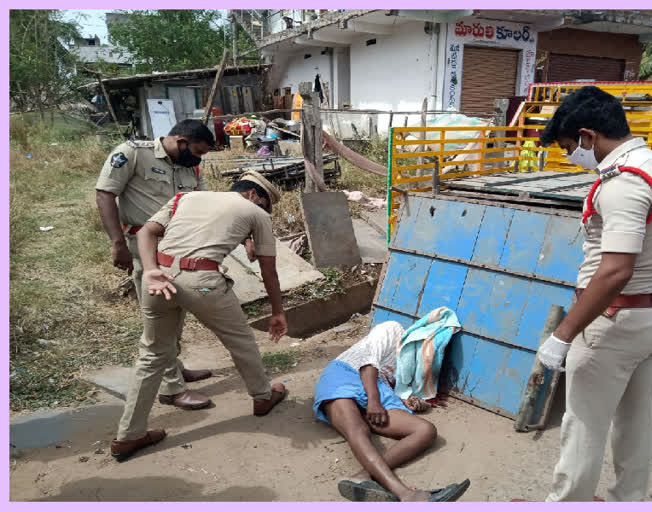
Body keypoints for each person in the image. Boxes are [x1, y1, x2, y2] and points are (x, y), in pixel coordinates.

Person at [534, 86, 652, 501]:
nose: (572, 156)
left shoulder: (624, 183)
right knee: (636, 421)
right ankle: (627, 500)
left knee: (583, 427)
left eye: (570, 147)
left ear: (589, 135)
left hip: (614, 323)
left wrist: (563, 335)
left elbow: (616, 270)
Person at [110, 173, 288, 461]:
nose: (264, 211)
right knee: (241, 341)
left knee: (152, 354)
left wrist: (151, 268)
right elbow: (268, 268)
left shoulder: (187, 196)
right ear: (255, 196)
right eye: (265, 205)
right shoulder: (256, 212)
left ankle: (128, 436)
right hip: (202, 282)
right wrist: (277, 312)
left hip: (159, 276)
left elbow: (145, 232)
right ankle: (263, 397)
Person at [96, 120, 216, 411]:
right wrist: (117, 242)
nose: (197, 159)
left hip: (178, 249)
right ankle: (172, 388)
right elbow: (105, 193)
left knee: (176, 312)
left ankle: (174, 366)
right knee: (159, 320)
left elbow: (205, 203)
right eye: (196, 151)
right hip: (144, 248)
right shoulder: (133, 153)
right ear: (180, 140)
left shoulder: (190, 167)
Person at [314, 321, 470, 502]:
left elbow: (398, 390)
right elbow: (368, 362)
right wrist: (373, 401)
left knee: (425, 430)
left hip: (380, 390)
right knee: (357, 429)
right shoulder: (393, 329)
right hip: (345, 375)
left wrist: (410, 400)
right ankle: (407, 495)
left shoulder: (413, 368)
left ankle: (362, 476)